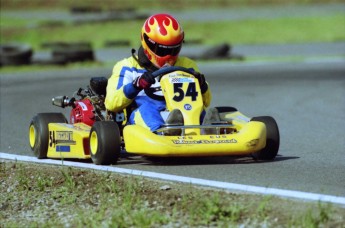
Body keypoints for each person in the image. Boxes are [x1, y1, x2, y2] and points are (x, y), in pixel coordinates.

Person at [105, 13, 212, 133]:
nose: (169, 56)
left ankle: (208, 130)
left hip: (181, 114)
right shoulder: (128, 67)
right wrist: (136, 85)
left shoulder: (187, 65)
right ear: (148, 43)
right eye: (163, 50)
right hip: (142, 116)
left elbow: (206, 101)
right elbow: (111, 103)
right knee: (147, 110)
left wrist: (202, 86)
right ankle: (163, 133)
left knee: (199, 110)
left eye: (174, 49)